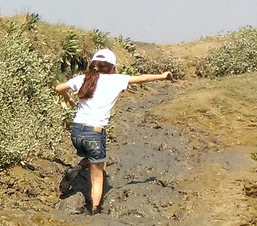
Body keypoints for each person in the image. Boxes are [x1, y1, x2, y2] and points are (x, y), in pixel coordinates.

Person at [55, 48, 173, 214]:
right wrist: (162, 76)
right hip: (95, 133)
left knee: (94, 156)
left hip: (76, 131)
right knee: (97, 175)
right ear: (111, 67)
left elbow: (59, 88)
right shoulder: (116, 80)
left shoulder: (83, 78)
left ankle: (76, 169)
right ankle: (94, 210)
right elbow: (142, 79)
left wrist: (68, 99)